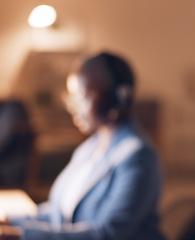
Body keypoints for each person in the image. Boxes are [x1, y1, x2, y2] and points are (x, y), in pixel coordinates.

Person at [0, 52, 164, 240]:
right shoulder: (91, 147)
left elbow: (107, 234)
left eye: (81, 96)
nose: (72, 106)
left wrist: (20, 235)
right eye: (70, 97)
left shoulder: (138, 158)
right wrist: (10, 222)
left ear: (116, 98)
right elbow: (58, 212)